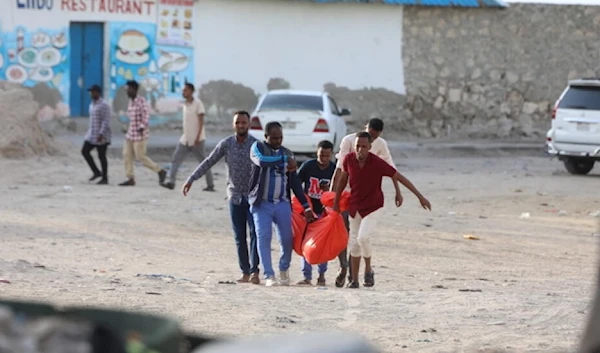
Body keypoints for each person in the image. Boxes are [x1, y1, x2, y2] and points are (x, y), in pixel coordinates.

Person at [333, 131, 431, 289]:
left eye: (364, 147)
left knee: (363, 237)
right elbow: (343, 179)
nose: (360, 150)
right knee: (354, 243)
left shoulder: (377, 163)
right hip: (355, 206)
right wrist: (336, 201)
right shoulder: (349, 160)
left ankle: (368, 269)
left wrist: (419, 196)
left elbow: (398, 177)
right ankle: (354, 280)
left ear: (370, 147)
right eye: (358, 146)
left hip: (374, 206)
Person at [182, 111, 260, 284]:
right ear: (233, 125)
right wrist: (191, 179)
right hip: (234, 197)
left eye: (244, 122)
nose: (241, 125)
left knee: (255, 234)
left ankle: (255, 272)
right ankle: (245, 272)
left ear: (249, 124)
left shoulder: (256, 145)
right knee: (239, 237)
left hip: (253, 197)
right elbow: (209, 161)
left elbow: (266, 167)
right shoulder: (226, 144)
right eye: (238, 122)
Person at [330, 118, 403, 288]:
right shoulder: (349, 141)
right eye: (369, 134)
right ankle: (344, 268)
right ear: (365, 128)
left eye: (374, 137)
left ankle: (356, 274)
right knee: (345, 233)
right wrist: (333, 196)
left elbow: (391, 168)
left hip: (367, 195)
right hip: (347, 194)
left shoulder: (380, 144)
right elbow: (339, 169)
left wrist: (398, 191)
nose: (370, 139)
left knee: (359, 237)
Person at [248, 122, 315, 287]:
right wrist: (285, 160)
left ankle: (283, 269)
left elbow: (295, 184)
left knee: (286, 239)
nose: (278, 141)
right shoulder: (258, 148)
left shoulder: (287, 153)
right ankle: (269, 275)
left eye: (280, 138)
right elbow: (262, 161)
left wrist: (306, 206)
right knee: (263, 237)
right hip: (261, 204)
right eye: (274, 138)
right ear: (266, 137)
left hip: (282, 203)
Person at [296, 140, 336, 286]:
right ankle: (307, 276)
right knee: (306, 243)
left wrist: (328, 191)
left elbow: (339, 191)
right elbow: (297, 184)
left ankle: (322, 274)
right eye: (321, 155)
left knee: (322, 244)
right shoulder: (308, 166)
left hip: (325, 212)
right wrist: (303, 206)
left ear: (331, 154)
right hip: (308, 211)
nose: (323, 159)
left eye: (327, 156)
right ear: (316, 152)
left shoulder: (334, 169)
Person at [161, 83, 214, 191]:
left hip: (197, 140)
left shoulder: (198, 104)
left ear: (191, 91)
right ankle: (171, 182)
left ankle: (210, 184)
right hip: (185, 139)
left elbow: (201, 122)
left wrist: (198, 138)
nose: (183, 92)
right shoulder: (185, 104)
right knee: (176, 159)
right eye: (183, 90)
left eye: (185, 90)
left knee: (203, 162)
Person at [118, 80, 167, 187]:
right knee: (126, 155)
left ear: (134, 89)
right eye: (126, 89)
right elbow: (132, 117)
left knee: (141, 157)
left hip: (140, 135)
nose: (127, 92)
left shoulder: (142, 101)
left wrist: (141, 127)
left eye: (129, 89)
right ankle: (130, 178)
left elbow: (146, 116)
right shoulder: (131, 101)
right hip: (131, 134)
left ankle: (160, 171)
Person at [81, 85, 111, 185]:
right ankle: (96, 172)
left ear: (98, 93)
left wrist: (101, 133)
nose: (91, 94)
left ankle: (105, 178)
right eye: (91, 92)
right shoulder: (92, 104)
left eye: (93, 92)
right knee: (85, 151)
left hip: (101, 135)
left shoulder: (104, 105)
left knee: (102, 156)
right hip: (92, 134)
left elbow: (106, 121)